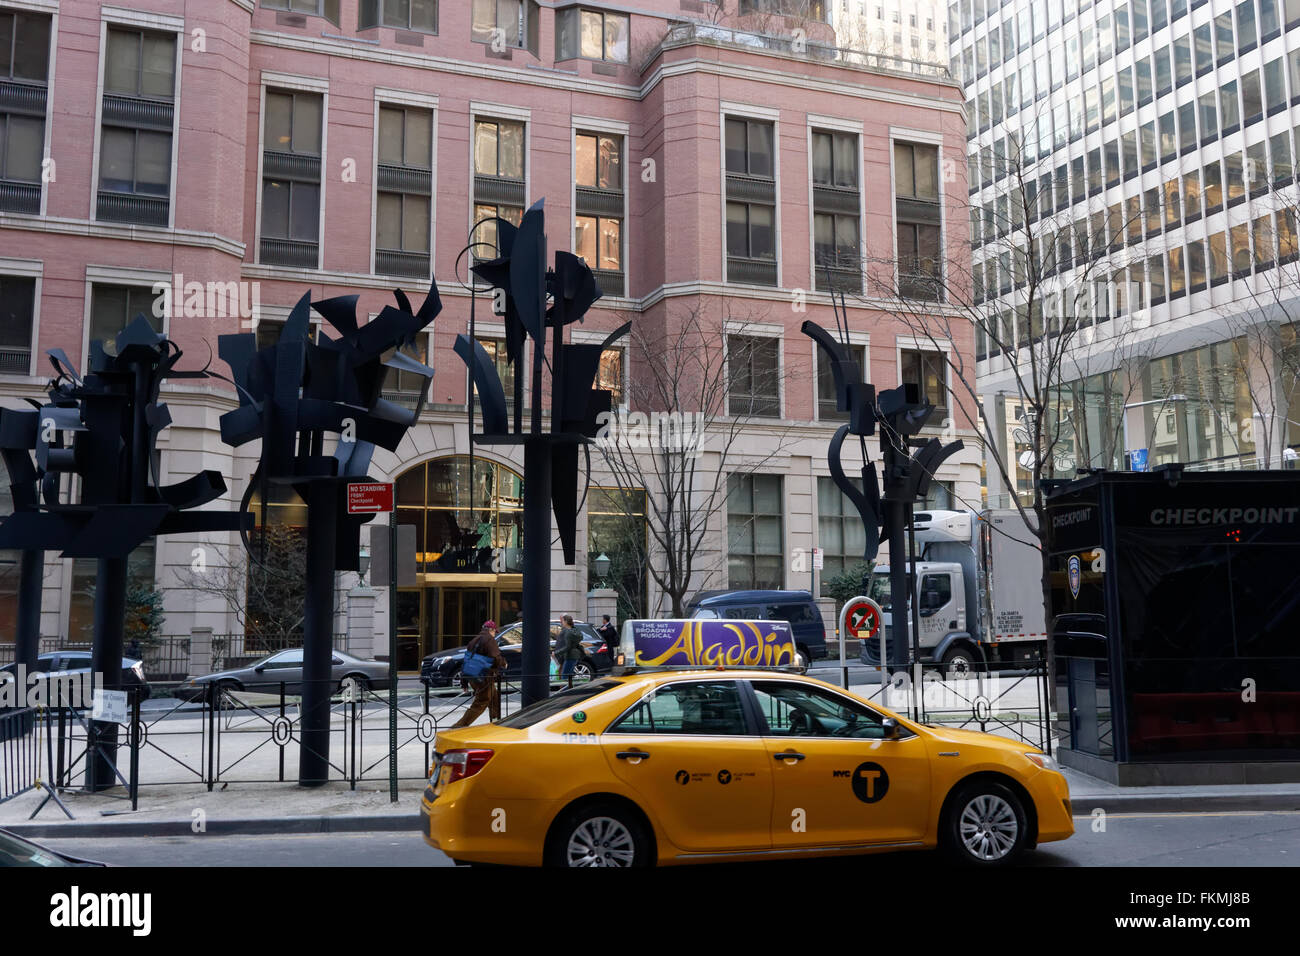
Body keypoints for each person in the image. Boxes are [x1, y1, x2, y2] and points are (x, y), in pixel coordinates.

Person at [452, 620, 504, 727]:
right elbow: (496, 657)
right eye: (495, 632)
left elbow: (467, 661)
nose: (495, 634)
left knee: (494, 698)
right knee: (481, 702)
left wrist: (464, 682)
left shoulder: (474, 640)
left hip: (473, 677)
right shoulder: (489, 639)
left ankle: (495, 724)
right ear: (491, 630)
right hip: (484, 677)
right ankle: (457, 727)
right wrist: (503, 664)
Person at [557, 614, 583, 683]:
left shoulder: (568, 633)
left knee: (564, 677)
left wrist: (557, 652)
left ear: (566, 622)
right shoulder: (575, 630)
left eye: (562, 621)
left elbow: (568, 647)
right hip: (575, 655)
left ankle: (567, 692)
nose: (562, 622)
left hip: (569, 656)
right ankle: (570, 690)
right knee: (569, 676)